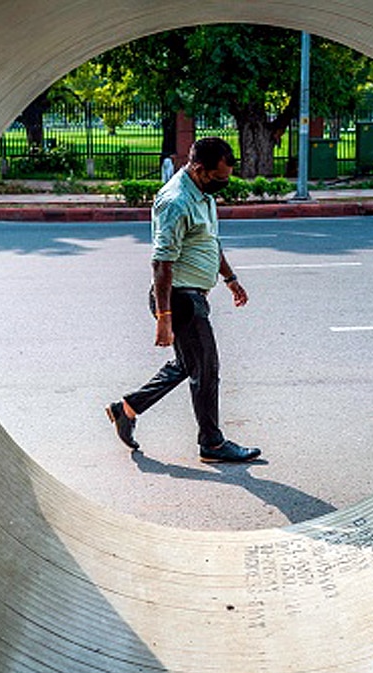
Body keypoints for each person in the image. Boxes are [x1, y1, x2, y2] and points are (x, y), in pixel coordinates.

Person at [106, 137, 261, 463]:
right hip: (180, 300)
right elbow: (161, 263)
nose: (224, 184)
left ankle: (127, 409)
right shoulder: (176, 201)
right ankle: (212, 444)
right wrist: (164, 317)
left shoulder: (202, 194)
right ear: (200, 169)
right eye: (220, 178)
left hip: (193, 296)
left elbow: (209, 241)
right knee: (206, 369)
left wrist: (230, 279)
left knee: (187, 365)